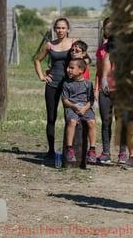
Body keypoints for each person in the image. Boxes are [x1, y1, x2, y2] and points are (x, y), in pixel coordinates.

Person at [34, 18, 75, 157]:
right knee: (51, 118)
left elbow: (84, 60)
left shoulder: (73, 44)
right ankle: (51, 150)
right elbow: (37, 60)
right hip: (52, 84)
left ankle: (68, 149)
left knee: (70, 118)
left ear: (68, 29)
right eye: (58, 28)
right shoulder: (49, 45)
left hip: (69, 85)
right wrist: (42, 76)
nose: (60, 30)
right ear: (54, 29)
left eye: (63, 28)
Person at [100, 37, 133, 169]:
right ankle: (111, 154)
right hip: (111, 92)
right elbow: (104, 74)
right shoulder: (109, 55)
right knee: (111, 122)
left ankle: (131, 156)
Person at [62, 58, 97, 164]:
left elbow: (91, 100)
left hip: (85, 107)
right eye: (68, 67)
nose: (68, 70)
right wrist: (74, 106)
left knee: (92, 122)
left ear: (81, 70)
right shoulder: (66, 83)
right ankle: (69, 149)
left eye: (72, 68)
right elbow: (65, 101)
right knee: (72, 121)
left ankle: (92, 150)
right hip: (72, 107)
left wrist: (85, 108)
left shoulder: (88, 83)